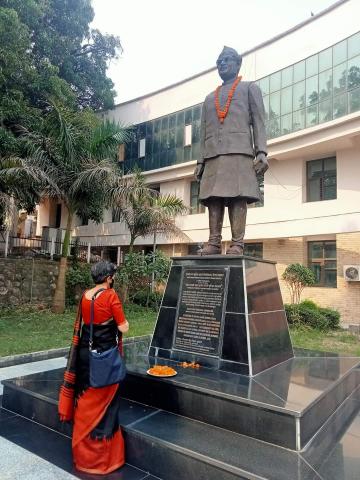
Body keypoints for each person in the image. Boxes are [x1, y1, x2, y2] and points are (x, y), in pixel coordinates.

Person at [194, 46, 269, 255]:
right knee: (213, 199)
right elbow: (203, 132)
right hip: (212, 156)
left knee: (238, 196)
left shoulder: (249, 88)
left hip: (239, 152)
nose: (222, 64)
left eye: (226, 60)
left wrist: (261, 151)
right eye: (219, 62)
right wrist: (200, 161)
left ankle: (237, 244)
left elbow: (259, 121)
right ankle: (214, 243)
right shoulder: (209, 98)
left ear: (237, 64)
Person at [58, 261, 129, 475]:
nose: (113, 279)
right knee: (105, 410)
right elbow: (123, 326)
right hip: (104, 360)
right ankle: (102, 462)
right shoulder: (110, 296)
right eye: (112, 276)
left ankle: (83, 458)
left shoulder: (85, 296)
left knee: (85, 407)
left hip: (85, 357)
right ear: (108, 278)